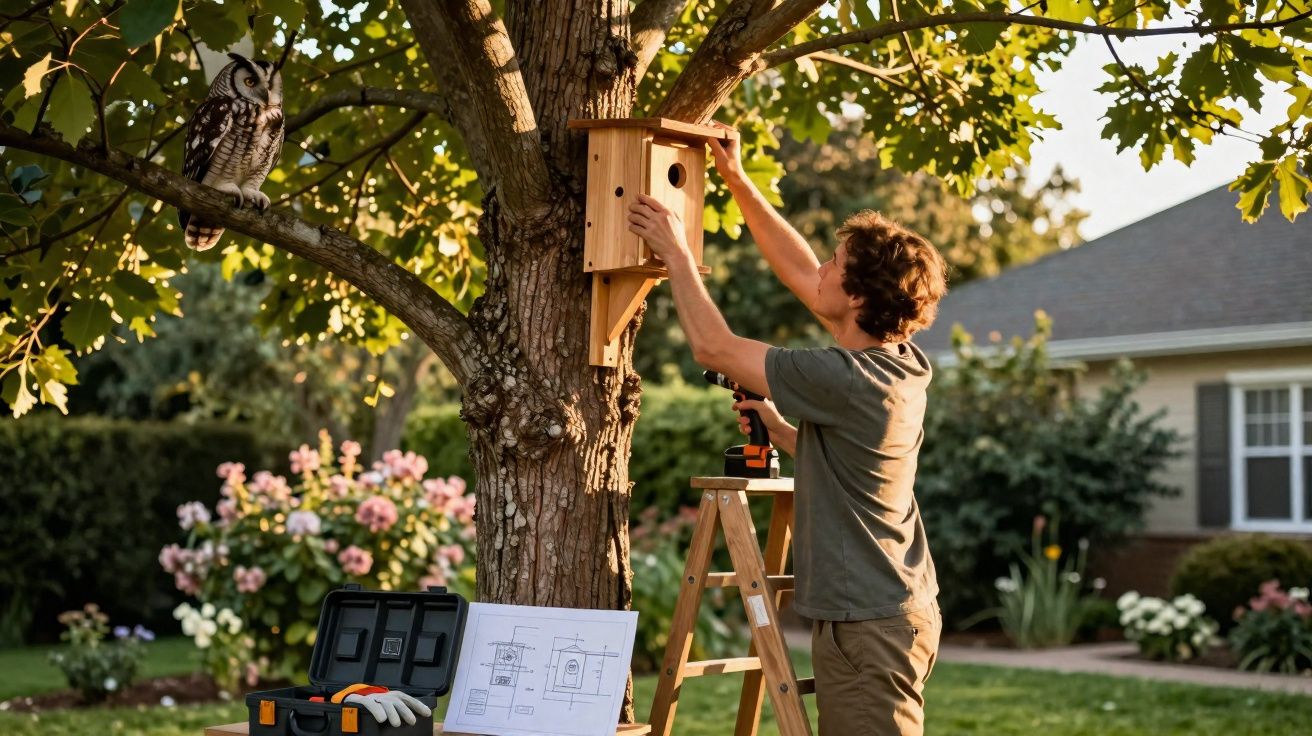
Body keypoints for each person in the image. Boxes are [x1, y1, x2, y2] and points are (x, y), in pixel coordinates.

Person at [625, 122, 949, 736]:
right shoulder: (899, 363)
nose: (820, 269)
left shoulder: (848, 377)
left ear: (858, 297)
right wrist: (736, 178)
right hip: (883, 612)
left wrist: (677, 254)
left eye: (836, 264)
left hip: (869, 624)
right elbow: (800, 272)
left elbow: (715, 348)